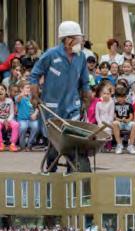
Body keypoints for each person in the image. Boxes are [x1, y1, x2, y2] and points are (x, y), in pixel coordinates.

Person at [30, 22, 91, 173]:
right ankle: (51, 169)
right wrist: (35, 96)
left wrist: (86, 100)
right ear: (68, 39)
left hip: (73, 106)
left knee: (74, 141)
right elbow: (34, 75)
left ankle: (73, 171)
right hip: (52, 108)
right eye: (79, 38)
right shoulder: (51, 54)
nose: (82, 41)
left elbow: (84, 82)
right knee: (54, 146)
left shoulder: (81, 56)